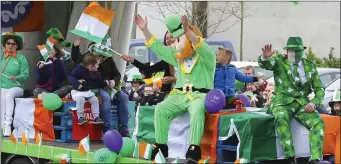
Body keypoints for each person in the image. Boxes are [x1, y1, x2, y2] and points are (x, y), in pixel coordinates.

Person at [135, 13, 216, 163]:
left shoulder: (206, 57)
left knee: (198, 108)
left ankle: (193, 149)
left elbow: (199, 43)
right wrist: (145, 30)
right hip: (179, 95)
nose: (174, 45)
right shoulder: (178, 57)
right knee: (161, 109)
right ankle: (161, 147)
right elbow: (158, 48)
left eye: (178, 41)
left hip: (199, 95)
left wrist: (188, 32)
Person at [258, 37, 325, 164]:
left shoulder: (310, 66)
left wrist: (314, 103)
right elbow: (266, 64)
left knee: (318, 121)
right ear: (286, 51)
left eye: (296, 51)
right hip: (282, 102)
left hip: (302, 104)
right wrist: (265, 57)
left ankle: (315, 159)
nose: (293, 54)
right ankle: (290, 157)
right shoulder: (279, 61)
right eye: (290, 51)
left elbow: (319, 88)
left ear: (302, 51)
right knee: (281, 116)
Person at [71, 35, 130, 136]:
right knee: (105, 98)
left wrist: (113, 82)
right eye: (99, 56)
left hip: (110, 87)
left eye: (103, 56)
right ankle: (107, 129)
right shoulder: (88, 58)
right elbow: (76, 58)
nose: (101, 58)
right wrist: (75, 47)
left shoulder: (109, 60)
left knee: (124, 97)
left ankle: (123, 128)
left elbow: (117, 74)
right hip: (96, 87)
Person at [1, 32, 29, 136]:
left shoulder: (21, 58)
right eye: (8, 43)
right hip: (2, 86)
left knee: (9, 95)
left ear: (16, 46)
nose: (10, 45)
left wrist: (16, 77)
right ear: (5, 44)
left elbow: (25, 75)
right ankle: (1, 126)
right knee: (2, 98)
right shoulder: (0, 55)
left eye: (13, 44)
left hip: (17, 87)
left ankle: (8, 124)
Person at [68, 54, 105, 125]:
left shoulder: (96, 73)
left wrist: (105, 83)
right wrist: (77, 83)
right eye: (97, 65)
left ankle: (96, 117)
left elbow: (99, 83)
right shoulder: (79, 69)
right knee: (80, 99)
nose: (98, 66)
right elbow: (70, 77)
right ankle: (80, 117)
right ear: (91, 66)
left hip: (87, 91)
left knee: (95, 99)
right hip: (77, 91)